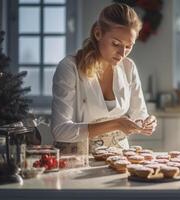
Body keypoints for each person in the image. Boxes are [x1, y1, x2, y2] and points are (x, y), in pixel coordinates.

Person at [51, 3, 157, 153]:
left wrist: (146, 122)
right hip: (78, 161)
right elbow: (60, 130)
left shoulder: (128, 67)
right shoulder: (70, 67)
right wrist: (117, 124)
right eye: (116, 43)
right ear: (98, 33)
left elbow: (139, 114)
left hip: (119, 158)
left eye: (129, 46)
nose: (122, 53)